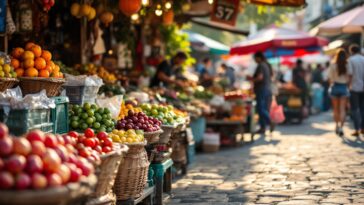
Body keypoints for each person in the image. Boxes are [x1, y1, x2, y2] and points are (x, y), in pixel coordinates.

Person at [328, 49, 351, 136]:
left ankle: (337, 125)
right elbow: (349, 77)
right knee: (342, 109)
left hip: (335, 86)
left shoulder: (333, 64)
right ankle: (341, 127)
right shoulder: (347, 64)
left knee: (335, 109)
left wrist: (331, 86)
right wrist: (348, 87)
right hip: (344, 87)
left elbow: (330, 78)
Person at [249, 52, 272, 134]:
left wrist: (252, 80)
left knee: (261, 108)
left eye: (255, 58)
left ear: (258, 57)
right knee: (263, 108)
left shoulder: (261, 65)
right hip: (266, 89)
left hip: (261, 89)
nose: (255, 60)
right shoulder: (266, 65)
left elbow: (260, 77)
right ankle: (263, 127)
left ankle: (269, 121)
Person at [348, 44, 364, 137]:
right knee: (363, 108)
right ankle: (363, 128)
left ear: (351, 51)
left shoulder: (351, 60)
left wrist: (348, 86)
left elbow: (350, 74)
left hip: (353, 87)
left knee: (355, 109)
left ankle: (356, 129)